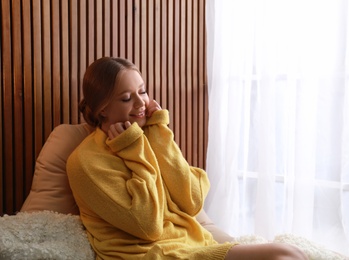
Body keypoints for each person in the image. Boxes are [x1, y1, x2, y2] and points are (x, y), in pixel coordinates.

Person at [66, 57, 308, 260]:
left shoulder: (148, 137)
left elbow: (192, 201)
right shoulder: (85, 162)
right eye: (126, 98)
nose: (141, 103)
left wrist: (160, 134)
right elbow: (147, 226)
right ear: (103, 109)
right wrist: (133, 149)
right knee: (283, 256)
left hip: (192, 245)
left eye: (143, 91)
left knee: (293, 252)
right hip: (152, 255)